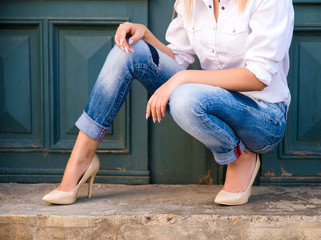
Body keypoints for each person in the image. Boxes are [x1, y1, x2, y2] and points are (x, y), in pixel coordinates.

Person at [42, 0, 294, 205]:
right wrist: (146, 35)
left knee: (184, 96)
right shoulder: (192, 2)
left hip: (263, 116)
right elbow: (178, 58)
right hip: (209, 98)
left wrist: (183, 78)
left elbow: (257, 78)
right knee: (128, 50)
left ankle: (240, 156)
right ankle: (82, 159)